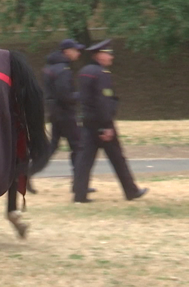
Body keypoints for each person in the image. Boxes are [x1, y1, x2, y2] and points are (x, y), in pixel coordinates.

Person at [72, 39, 148, 203]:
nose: (111, 57)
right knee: (118, 159)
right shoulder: (102, 74)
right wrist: (106, 126)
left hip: (87, 122)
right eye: (108, 54)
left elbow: (84, 98)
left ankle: (79, 194)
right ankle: (131, 191)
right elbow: (103, 101)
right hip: (102, 123)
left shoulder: (84, 71)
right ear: (99, 56)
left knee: (84, 160)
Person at [42, 39, 95, 193]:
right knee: (79, 147)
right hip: (65, 114)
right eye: (76, 50)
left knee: (52, 146)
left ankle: (26, 173)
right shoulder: (63, 70)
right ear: (67, 51)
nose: (78, 53)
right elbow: (65, 95)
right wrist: (83, 95)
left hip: (55, 113)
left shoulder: (50, 67)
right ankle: (79, 184)